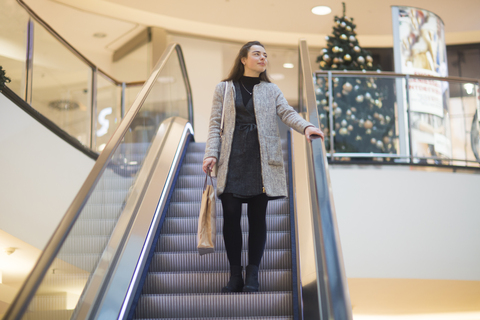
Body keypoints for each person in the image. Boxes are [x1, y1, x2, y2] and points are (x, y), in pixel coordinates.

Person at [202, 41, 324, 293]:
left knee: (258, 218)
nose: (263, 58)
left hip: (262, 160)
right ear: (243, 59)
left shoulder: (271, 89)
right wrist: (210, 154)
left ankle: (253, 274)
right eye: (257, 54)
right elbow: (215, 124)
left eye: (265, 55)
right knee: (231, 215)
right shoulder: (224, 89)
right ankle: (235, 274)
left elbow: (287, 113)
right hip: (231, 159)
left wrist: (307, 127)